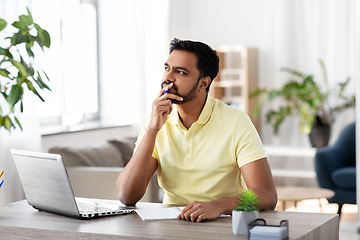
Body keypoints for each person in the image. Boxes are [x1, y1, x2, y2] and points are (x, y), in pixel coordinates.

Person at [116, 38, 277, 223]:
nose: (168, 78)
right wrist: (153, 129)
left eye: (181, 72)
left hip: (222, 223)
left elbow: (266, 195)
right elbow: (126, 196)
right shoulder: (156, 123)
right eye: (167, 68)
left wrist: (218, 205)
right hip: (172, 225)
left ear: (203, 83)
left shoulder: (236, 122)